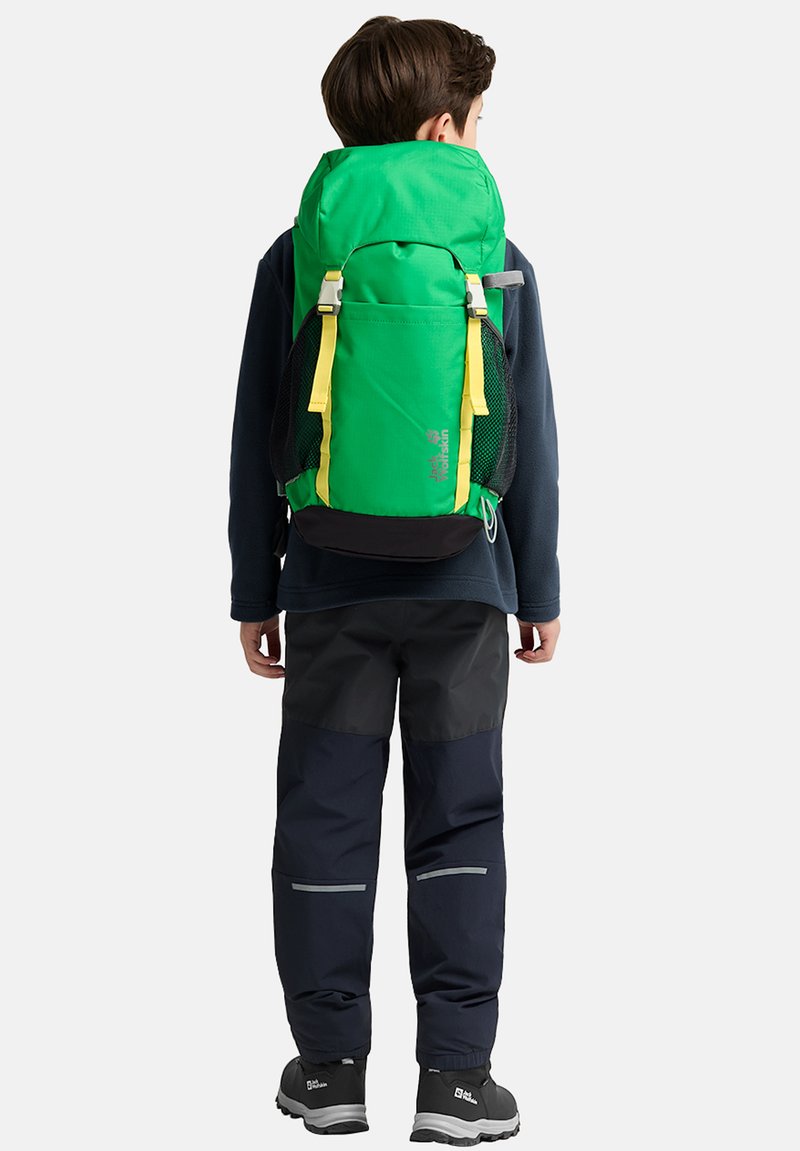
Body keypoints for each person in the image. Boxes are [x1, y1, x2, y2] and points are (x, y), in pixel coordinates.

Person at [228, 16, 561, 1145]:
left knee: (325, 816)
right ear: (441, 126)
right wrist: (536, 584)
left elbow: (257, 427)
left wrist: (254, 586)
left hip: (329, 580)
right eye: (476, 118)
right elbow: (530, 433)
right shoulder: (497, 256)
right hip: (465, 583)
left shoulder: (298, 251)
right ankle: (455, 1081)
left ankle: (328, 1069)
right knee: (458, 820)